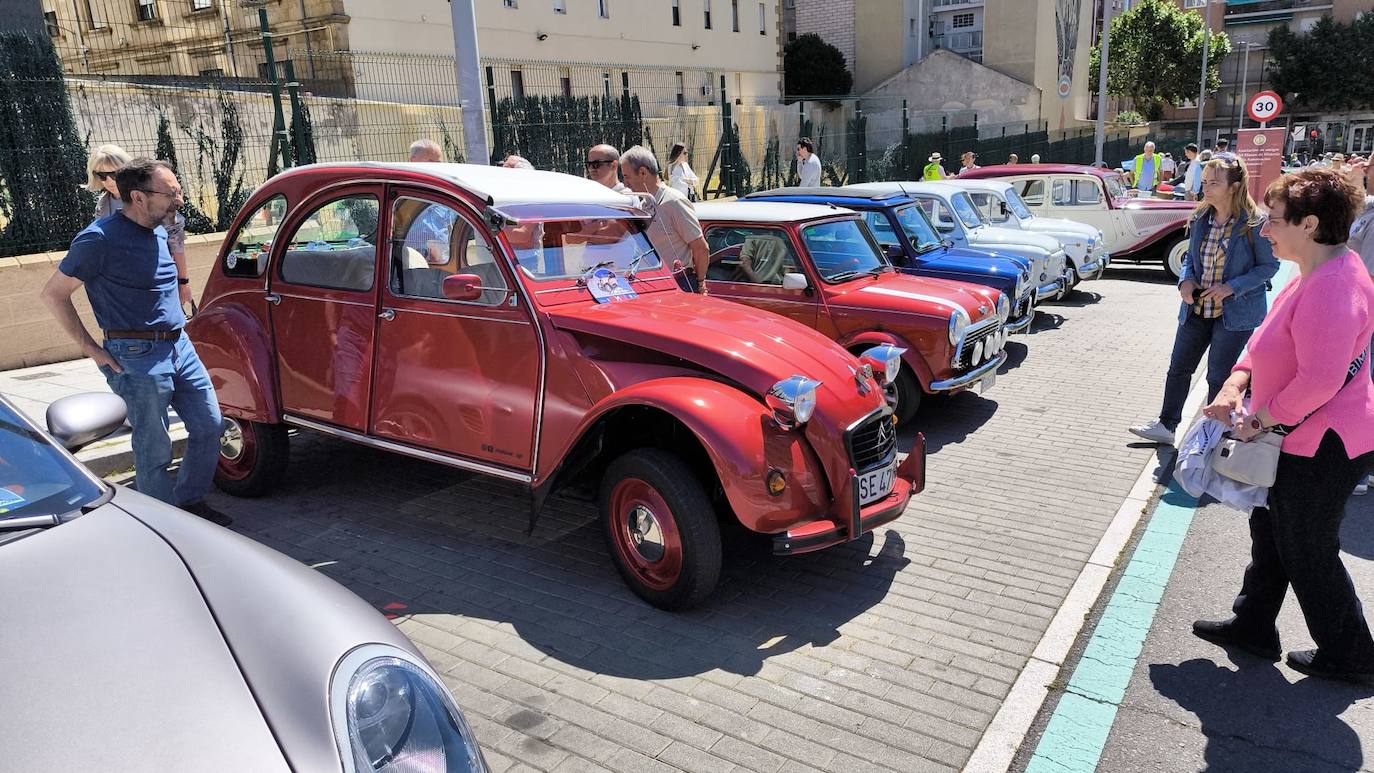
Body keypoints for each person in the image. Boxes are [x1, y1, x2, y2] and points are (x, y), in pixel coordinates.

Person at [1193, 169, 1374, 684]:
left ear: (1310, 223)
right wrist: (1237, 382)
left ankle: (1353, 655)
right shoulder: (1316, 270)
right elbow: (1265, 340)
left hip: (1324, 443)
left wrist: (1260, 419)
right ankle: (1253, 624)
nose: (1265, 229)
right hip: (1300, 436)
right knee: (1271, 529)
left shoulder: (1333, 286)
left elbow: (1320, 380)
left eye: (1274, 220)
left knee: (1306, 546)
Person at [39, 158, 229, 526]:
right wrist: (91, 349)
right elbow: (53, 294)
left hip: (179, 346)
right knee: (153, 446)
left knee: (210, 425)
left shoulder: (160, 229)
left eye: (178, 189)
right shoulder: (99, 238)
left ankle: (189, 504)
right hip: (137, 355)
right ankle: (165, 526)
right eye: (170, 192)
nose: (180, 198)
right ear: (138, 197)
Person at [1129, 156, 1279, 445]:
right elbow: (1190, 260)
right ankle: (1166, 425)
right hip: (1196, 309)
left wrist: (1232, 287)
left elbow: (1268, 267)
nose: (1205, 188)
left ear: (1234, 187)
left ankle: (1212, 433)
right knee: (1179, 368)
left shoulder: (1253, 222)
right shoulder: (1200, 217)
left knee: (1220, 377)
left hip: (1234, 315)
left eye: (1214, 183)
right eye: (1204, 182)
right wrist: (1185, 280)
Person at [86, 145, 192, 310]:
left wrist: (183, 282)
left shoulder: (149, 198)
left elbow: (175, 240)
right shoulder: (103, 204)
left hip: (156, 273)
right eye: (101, 175)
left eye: (114, 174)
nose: (108, 181)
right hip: (122, 282)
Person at [621, 145, 709, 295]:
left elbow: (700, 247)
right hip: (650, 285)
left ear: (643, 172)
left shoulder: (674, 201)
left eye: (627, 176)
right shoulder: (644, 204)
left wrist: (700, 284)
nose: (625, 183)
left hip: (679, 285)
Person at [1345, 157, 1374, 495]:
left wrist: (1353, 329)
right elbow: (1351, 202)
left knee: (1364, 390)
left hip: (1366, 320)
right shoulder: (1368, 207)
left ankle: (1362, 470)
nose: (1366, 168)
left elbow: (1368, 280)